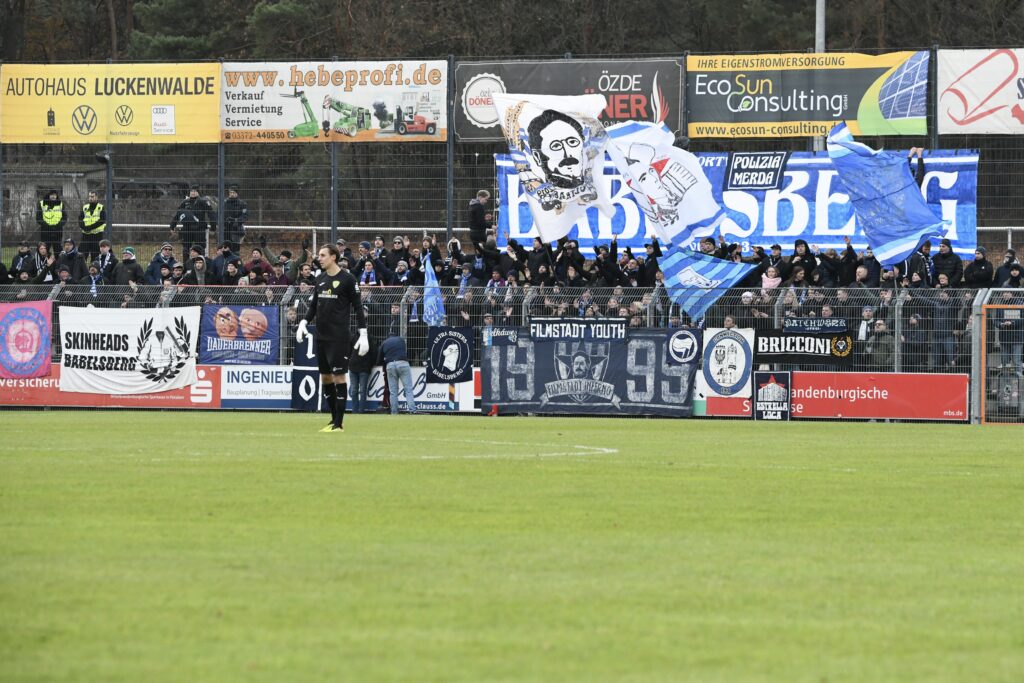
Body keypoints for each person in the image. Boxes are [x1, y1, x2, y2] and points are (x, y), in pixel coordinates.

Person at [295, 244, 369, 432]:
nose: (319, 258)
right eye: (319, 255)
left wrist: (363, 333)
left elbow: (358, 307)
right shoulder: (320, 278)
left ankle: (339, 423)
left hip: (339, 338)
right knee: (326, 378)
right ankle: (333, 420)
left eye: (322, 255)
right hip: (321, 337)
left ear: (333, 257)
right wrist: (304, 322)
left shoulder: (348, 279)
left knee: (339, 377)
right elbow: (313, 306)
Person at [169, 184, 215, 257]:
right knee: (186, 249)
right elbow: (178, 214)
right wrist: (172, 226)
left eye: (195, 191)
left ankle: (201, 265)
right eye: (191, 191)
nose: (193, 193)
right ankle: (186, 266)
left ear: (198, 192)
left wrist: (213, 228)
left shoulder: (203, 202)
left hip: (199, 229)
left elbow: (211, 215)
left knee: (200, 249)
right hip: (187, 229)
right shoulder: (185, 202)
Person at [378, 330, 417, 415]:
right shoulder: (401, 340)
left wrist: (385, 360)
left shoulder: (384, 343)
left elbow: (379, 359)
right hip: (403, 363)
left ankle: (394, 412)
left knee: (393, 391)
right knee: (408, 389)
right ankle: (412, 411)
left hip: (390, 365)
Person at [348, 321, 376, 414]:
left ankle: (360, 411)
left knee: (361, 390)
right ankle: (355, 411)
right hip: (355, 368)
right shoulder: (354, 337)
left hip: (363, 368)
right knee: (356, 390)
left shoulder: (368, 338)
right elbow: (374, 353)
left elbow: (373, 353)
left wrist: (369, 365)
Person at [77, 190, 107, 262]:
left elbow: (102, 220)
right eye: (89, 196)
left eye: (92, 196)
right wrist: (84, 227)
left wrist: (90, 227)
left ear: (96, 197)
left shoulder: (101, 207)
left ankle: (94, 270)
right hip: (85, 235)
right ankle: (82, 270)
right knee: (82, 254)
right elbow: (80, 219)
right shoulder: (85, 207)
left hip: (97, 235)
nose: (90, 198)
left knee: (95, 255)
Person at [36, 189, 66, 254]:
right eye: (52, 195)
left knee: (58, 249)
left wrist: (58, 225)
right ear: (49, 195)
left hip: (57, 230)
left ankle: (58, 263)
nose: (53, 196)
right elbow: (38, 217)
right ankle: (44, 263)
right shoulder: (42, 203)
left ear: (57, 196)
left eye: (55, 195)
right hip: (45, 230)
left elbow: (64, 217)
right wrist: (46, 225)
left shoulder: (61, 204)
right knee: (45, 249)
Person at [222, 184, 248, 254]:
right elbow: (219, 214)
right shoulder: (224, 203)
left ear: (237, 193)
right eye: (230, 192)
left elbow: (245, 216)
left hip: (236, 229)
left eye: (233, 192)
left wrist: (236, 220)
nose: (232, 194)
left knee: (235, 251)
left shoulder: (242, 204)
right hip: (225, 229)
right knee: (225, 250)